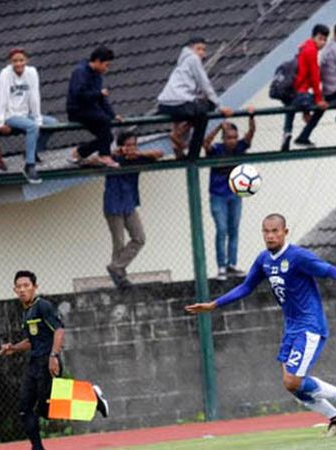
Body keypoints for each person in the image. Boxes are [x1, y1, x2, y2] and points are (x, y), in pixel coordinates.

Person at [185, 214, 336, 437]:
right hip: (292, 327)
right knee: (290, 384)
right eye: (266, 231)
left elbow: (326, 269)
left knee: (293, 380)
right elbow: (245, 287)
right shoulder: (264, 260)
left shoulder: (298, 256)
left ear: (285, 232)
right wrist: (214, 304)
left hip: (310, 325)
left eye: (275, 231)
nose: (270, 235)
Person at [0, 271, 109, 450]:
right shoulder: (26, 312)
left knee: (45, 409)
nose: (22, 290)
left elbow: (59, 330)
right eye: (18, 287)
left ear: (35, 287)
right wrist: (12, 348)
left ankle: (92, 396)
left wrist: (54, 356)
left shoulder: (43, 306)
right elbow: (30, 341)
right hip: (33, 363)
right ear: (14, 289)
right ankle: (37, 447)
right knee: (24, 408)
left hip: (46, 362)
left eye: (26, 286)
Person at [104, 132, 163, 290]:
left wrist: (138, 153)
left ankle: (116, 267)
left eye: (133, 145)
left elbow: (159, 154)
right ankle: (120, 277)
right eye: (127, 145)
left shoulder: (138, 158)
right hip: (113, 204)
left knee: (139, 237)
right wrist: (114, 154)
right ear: (121, 146)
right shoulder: (113, 158)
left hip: (129, 203)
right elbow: (93, 159)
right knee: (119, 242)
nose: (131, 148)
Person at [157, 37, 233, 159]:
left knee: (197, 112)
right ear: (190, 49)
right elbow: (205, 84)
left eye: (204, 50)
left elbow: (196, 90)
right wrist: (220, 106)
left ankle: (178, 141)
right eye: (198, 49)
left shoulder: (182, 63)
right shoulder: (193, 59)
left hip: (166, 105)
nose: (202, 53)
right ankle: (194, 153)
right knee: (206, 110)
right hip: (180, 103)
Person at [203, 110, 256, 280]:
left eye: (234, 137)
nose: (232, 141)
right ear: (224, 139)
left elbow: (250, 134)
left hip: (235, 194)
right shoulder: (217, 149)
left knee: (234, 229)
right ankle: (221, 267)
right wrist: (219, 126)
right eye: (228, 137)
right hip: (218, 195)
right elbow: (206, 143)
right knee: (222, 229)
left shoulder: (240, 148)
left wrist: (251, 117)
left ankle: (231, 264)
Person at [0, 48, 59, 183]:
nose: (18, 64)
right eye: (15, 61)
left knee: (53, 123)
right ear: (10, 62)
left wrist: (38, 118)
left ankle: (33, 151)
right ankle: (29, 166)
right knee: (32, 127)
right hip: (10, 115)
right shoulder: (5, 74)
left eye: (21, 60)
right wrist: (0, 123)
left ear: (26, 61)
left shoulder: (31, 72)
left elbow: (35, 97)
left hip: (25, 114)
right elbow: (1, 98)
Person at [66, 46, 120, 169]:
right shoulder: (80, 72)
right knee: (104, 122)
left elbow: (101, 99)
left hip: (90, 110)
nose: (107, 69)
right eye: (106, 65)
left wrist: (113, 114)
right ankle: (104, 155)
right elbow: (78, 94)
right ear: (97, 61)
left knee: (107, 137)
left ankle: (80, 153)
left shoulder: (97, 75)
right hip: (77, 110)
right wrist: (99, 94)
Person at [282, 24, 330, 152]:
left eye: (325, 40)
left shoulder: (303, 49)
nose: (322, 43)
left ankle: (287, 132)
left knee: (290, 107)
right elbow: (314, 78)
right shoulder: (311, 51)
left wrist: (306, 112)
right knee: (323, 106)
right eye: (320, 38)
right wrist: (319, 100)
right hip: (301, 94)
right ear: (313, 37)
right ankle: (304, 136)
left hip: (293, 94)